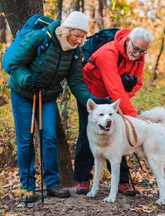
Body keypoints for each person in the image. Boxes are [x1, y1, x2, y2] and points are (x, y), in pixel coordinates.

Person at [8, 11, 108, 202]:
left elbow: (76, 82)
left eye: (82, 37)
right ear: (66, 30)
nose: (79, 40)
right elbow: (14, 64)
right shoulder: (41, 38)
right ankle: (27, 188)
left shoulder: (75, 52)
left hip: (47, 96)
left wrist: (94, 102)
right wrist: (27, 79)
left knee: (49, 137)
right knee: (26, 140)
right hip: (23, 93)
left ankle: (52, 185)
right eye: (76, 36)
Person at [74, 27, 154, 195]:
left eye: (143, 50)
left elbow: (137, 83)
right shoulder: (108, 53)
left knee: (117, 134)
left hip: (113, 97)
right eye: (136, 48)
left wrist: (121, 100)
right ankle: (83, 179)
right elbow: (114, 86)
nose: (138, 53)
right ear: (128, 41)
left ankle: (121, 182)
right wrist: (133, 116)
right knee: (87, 132)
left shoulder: (139, 56)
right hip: (92, 94)